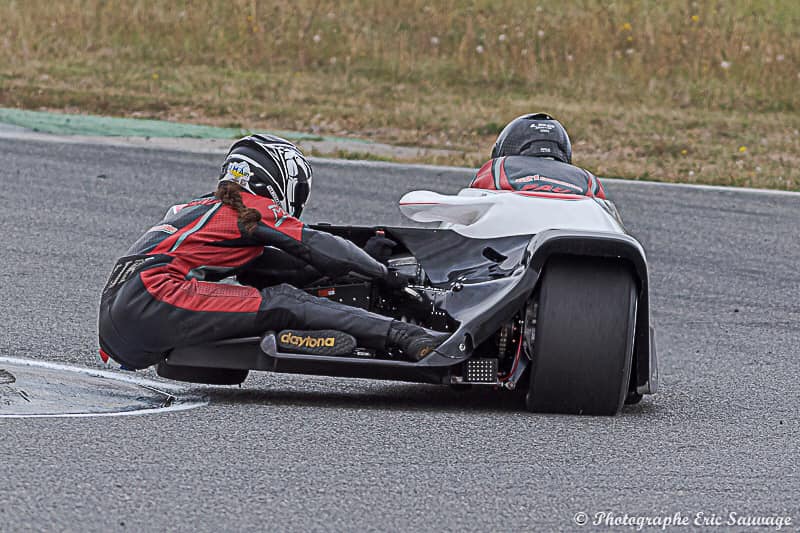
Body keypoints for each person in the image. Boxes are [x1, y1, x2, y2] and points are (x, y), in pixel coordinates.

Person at [98, 134, 448, 370]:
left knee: (275, 298)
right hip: (154, 296)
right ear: (277, 178)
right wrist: (386, 275)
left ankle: (296, 338)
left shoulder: (199, 209)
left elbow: (283, 268)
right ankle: (406, 336)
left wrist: (358, 264)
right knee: (284, 302)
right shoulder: (246, 207)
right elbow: (317, 247)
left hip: (119, 319)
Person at [470, 113, 606, 199]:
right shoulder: (588, 179)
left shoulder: (498, 167)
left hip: (518, 235)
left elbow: (471, 204)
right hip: (573, 237)